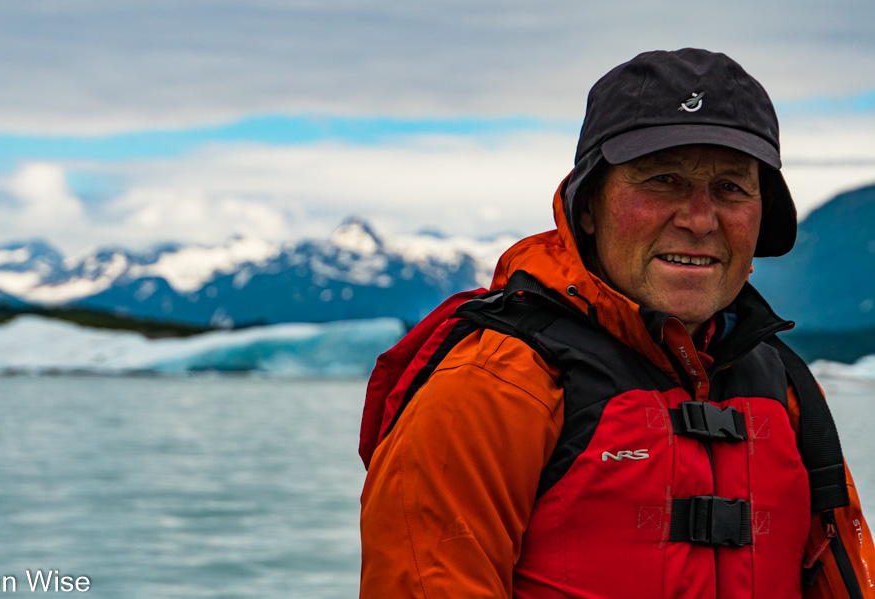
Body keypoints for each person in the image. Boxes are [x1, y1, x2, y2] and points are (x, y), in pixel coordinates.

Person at [359, 48, 875, 597]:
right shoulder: (495, 384)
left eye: (730, 187)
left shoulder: (787, 389)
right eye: (662, 180)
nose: (700, 220)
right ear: (588, 208)